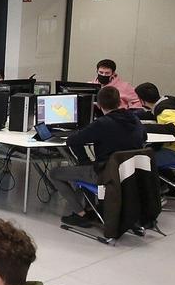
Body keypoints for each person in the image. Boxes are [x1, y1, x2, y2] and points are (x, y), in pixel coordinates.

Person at [46, 86, 145, 227]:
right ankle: (91, 207)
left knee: (55, 173)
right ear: (119, 102)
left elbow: (73, 140)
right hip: (130, 173)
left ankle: (81, 214)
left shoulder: (102, 124)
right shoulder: (135, 120)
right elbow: (144, 137)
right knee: (86, 165)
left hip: (106, 174)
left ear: (98, 105)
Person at [135, 82, 175, 191]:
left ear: (142, 100)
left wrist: (144, 128)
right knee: (146, 153)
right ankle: (173, 189)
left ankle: (156, 193)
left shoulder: (165, 111)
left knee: (141, 160)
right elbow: (151, 115)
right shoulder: (165, 104)